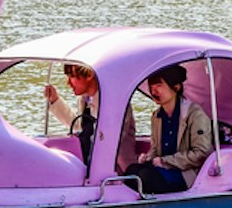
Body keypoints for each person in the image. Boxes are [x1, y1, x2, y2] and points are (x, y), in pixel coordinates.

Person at [122, 64, 215, 195]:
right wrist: (148, 157)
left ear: (176, 87)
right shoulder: (157, 116)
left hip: (187, 173)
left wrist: (166, 162)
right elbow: (155, 149)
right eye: (151, 87)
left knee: (146, 177)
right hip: (163, 169)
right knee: (131, 171)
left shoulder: (195, 114)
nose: (154, 92)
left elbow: (201, 153)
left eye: (159, 86)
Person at [44, 63, 137, 173]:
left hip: (115, 171)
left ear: (89, 75)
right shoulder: (85, 99)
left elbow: (112, 138)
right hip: (90, 164)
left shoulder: (113, 100)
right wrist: (55, 100)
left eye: (72, 76)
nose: (68, 83)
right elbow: (79, 123)